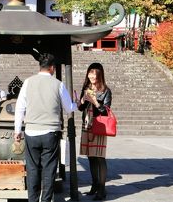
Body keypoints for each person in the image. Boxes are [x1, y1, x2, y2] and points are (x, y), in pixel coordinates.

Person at [14, 52, 77, 202]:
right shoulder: (58, 84)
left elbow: (20, 108)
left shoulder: (28, 82)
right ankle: (46, 200)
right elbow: (69, 108)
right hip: (50, 132)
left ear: (40, 66)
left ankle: (32, 200)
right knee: (49, 170)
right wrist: (77, 104)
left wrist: (17, 131)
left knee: (32, 169)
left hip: (31, 131)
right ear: (52, 68)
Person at [78, 63, 112, 200]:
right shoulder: (86, 88)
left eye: (95, 73)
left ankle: (102, 189)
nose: (92, 75)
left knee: (99, 157)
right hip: (87, 125)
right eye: (90, 72)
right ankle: (95, 185)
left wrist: (96, 102)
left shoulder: (106, 91)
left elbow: (106, 110)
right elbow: (80, 108)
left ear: (100, 75)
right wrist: (82, 100)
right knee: (90, 156)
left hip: (99, 126)